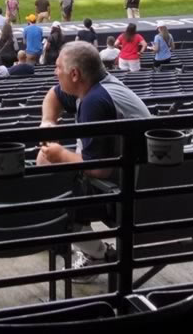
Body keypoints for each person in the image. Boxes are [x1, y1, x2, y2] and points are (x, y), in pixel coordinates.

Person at [35, 41, 153, 271]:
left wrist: (60, 155)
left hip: (129, 190)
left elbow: (100, 169)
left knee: (54, 196)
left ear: (75, 74)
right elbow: (54, 95)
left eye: (58, 67)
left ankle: (97, 254)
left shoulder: (94, 102)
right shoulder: (95, 86)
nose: (54, 72)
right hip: (144, 180)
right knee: (47, 161)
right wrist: (48, 122)